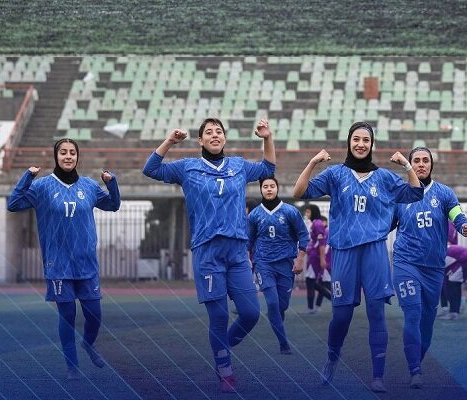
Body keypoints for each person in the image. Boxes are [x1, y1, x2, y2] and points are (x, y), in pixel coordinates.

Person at [142, 118, 275, 393]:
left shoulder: (238, 165)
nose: (215, 135)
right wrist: (169, 141)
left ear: (224, 138)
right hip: (207, 252)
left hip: (237, 252)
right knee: (219, 317)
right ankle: (224, 368)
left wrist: (267, 138)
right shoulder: (187, 167)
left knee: (251, 314)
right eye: (209, 132)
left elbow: (268, 168)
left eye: (219, 131)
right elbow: (150, 169)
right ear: (200, 140)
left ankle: (222, 345)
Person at [293, 121, 423, 393]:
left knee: (376, 313)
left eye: (366, 140)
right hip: (344, 251)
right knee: (341, 316)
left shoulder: (385, 177)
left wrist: (406, 165)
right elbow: (298, 192)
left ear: (372, 144)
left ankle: (378, 376)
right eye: (356, 139)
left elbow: (415, 192)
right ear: (349, 143)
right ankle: (331, 358)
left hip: (374, 250)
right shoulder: (335, 174)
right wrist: (313, 162)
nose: (361, 144)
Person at [7, 138, 121, 380]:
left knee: (94, 315)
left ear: (77, 157)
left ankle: (88, 344)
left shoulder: (89, 186)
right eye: (63, 152)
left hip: (86, 263)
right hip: (58, 265)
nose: (68, 156)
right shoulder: (42, 187)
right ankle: (72, 366)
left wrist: (112, 184)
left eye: (72, 152)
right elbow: (13, 204)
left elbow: (113, 205)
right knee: (67, 316)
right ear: (56, 156)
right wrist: (27, 177)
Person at [391, 146, 467, 389]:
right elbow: (385, 224)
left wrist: (464, 225)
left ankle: (416, 361)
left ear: (431, 165)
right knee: (413, 313)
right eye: (416, 160)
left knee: (427, 320)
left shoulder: (444, 193)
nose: (421, 164)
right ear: (410, 164)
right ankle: (414, 370)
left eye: (425, 160)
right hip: (406, 263)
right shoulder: (400, 195)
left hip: (434, 268)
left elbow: (457, 215)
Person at [248, 176, 309, 354]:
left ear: (277, 188)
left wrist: (300, 259)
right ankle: (283, 343)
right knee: (273, 303)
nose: (269, 189)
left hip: (285, 264)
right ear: (261, 189)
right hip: (263, 263)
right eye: (265, 186)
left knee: (282, 305)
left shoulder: (290, 211)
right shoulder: (254, 215)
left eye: (272, 186)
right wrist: (246, 260)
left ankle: (277, 321)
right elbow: (248, 240)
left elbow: (303, 235)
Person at [302, 204, 331, 313]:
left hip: (315, 257)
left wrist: (322, 259)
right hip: (312, 255)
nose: (306, 214)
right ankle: (312, 307)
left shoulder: (318, 223)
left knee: (311, 281)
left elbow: (321, 243)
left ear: (313, 212)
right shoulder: (314, 223)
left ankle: (333, 299)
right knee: (313, 282)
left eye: (308, 212)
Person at [438, 245, 467, 320]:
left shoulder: (441, 255)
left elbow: (442, 271)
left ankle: (454, 312)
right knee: (455, 284)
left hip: (465, 258)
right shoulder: (442, 250)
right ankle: (456, 310)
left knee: (452, 285)